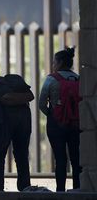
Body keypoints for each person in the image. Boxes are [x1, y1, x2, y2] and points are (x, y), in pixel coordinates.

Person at [39, 47, 81, 192]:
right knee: (77, 159)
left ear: (60, 62)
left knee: (60, 159)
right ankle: (78, 189)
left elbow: (41, 103)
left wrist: (53, 114)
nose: (52, 65)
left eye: (54, 62)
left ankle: (60, 191)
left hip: (56, 124)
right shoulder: (79, 78)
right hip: (77, 124)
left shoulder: (51, 79)